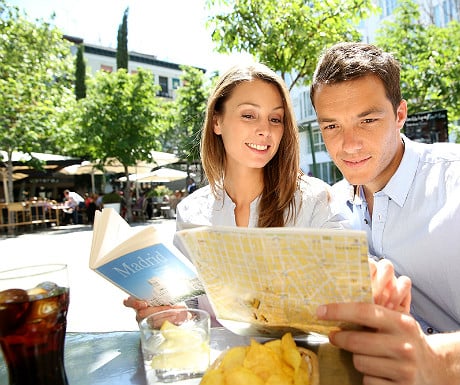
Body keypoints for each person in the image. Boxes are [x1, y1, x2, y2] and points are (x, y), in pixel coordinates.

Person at [124, 62, 410, 324]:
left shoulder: (313, 200)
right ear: (217, 122)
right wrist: (165, 314)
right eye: (249, 115)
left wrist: (373, 287)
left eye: (276, 119)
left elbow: (354, 278)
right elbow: (190, 311)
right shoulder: (191, 211)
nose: (265, 130)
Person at [310, 41, 460, 384]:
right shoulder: (329, 207)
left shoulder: (454, 184)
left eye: (368, 120)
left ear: (400, 116)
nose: (348, 144)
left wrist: (438, 362)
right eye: (331, 126)